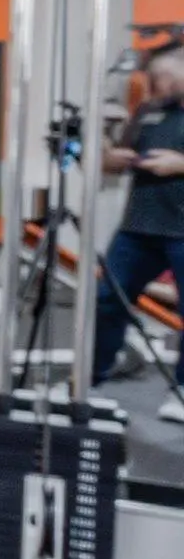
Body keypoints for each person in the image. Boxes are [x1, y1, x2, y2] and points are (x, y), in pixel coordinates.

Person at [96, 44, 184, 419]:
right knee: (105, 300)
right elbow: (113, 160)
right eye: (154, 77)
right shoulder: (148, 111)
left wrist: (181, 164)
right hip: (137, 228)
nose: (157, 84)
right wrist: (112, 157)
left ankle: (181, 390)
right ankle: (88, 379)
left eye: (166, 77)